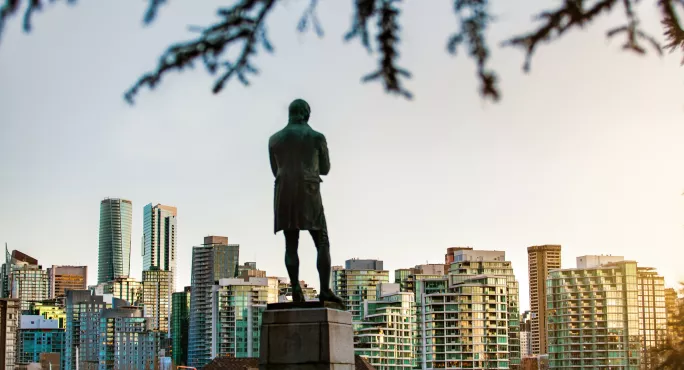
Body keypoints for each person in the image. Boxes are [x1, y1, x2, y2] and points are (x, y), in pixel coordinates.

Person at [268, 99, 344, 305]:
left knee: (290, 244)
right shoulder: (316, 137)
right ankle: (325, 290)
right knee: (322, 241)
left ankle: (296, 289)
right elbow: (326, 169)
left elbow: (275, 170)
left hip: (284, 193)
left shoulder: (274, 139)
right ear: (306, 114)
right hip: (309, 193)